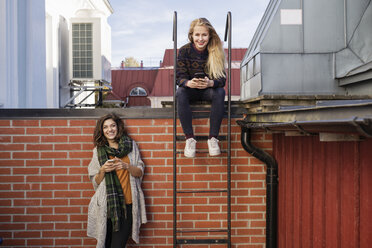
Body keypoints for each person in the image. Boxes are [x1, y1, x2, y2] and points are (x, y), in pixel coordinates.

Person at [87, 113, 147, 248]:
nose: (110, 129)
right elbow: (95, 181)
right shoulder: (98, 151)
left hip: (127, 205)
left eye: (113, 125)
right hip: (106, 206)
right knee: (105, 244)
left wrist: (126, 166)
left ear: (118, 127)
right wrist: (102, 170)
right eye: (106, 127)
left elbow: (140, 172)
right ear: (102, 131)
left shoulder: (130, 146)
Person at [176, 17, 226, 158]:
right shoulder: (184, 51)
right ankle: (190, 139)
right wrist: (188, 83)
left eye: (204, 35)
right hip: (190, 90)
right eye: (197, 35)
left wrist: (210, 83)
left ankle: (213, 139)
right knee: (180, 92)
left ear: (209, 35)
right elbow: (179, 77)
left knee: (220, 92)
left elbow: (222, 80)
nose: (200, 39)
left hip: (208, 91)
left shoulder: (216, 51)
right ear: (191, 35)